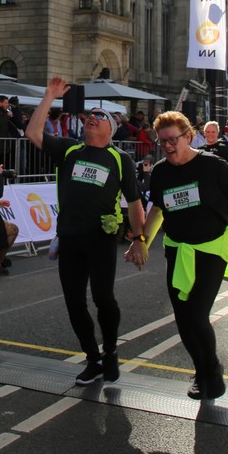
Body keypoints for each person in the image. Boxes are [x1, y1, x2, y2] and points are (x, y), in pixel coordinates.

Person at [126, 111, 228, 400]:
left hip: (212, 248)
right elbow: (158, 209)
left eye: (173, 140)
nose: (168, 146)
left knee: (196, 314)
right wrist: (141, 241)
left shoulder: (212, 166)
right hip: (178, 250)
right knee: (182, 318)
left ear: (189, 136)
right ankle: (201, 371)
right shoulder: (162, 172)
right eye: (162, 141)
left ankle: (212, 370)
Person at [25, 77, 143, 386]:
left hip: (100, 239)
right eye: (90, 114)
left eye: (100, 116)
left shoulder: (120, 159)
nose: (92, 116)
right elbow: (33, 133)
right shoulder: (69, 150)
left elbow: (134, 202)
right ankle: (93, 359)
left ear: (110, 130)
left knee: (104, 298)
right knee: (74, 302)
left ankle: (111, 350)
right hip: (70, 237)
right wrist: (49, 96)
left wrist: (139, 238)